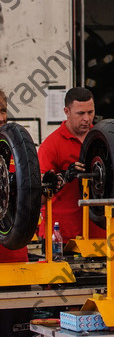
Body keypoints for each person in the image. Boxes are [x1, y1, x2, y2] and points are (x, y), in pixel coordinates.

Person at [38, 87, 104, 241]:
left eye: (90, 112)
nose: (87, 119)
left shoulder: (102, 139)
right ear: (66, 111)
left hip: (100, 236)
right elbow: (37, 197)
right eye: (80, 113)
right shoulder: (50, 145)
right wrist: (64, 177)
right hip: (61, 237)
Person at [0, 88, 29, 263]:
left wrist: (44, 186)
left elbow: (32, 199)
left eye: (3, 111)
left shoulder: (17, 151)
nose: (2, 118)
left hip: (15, 256)